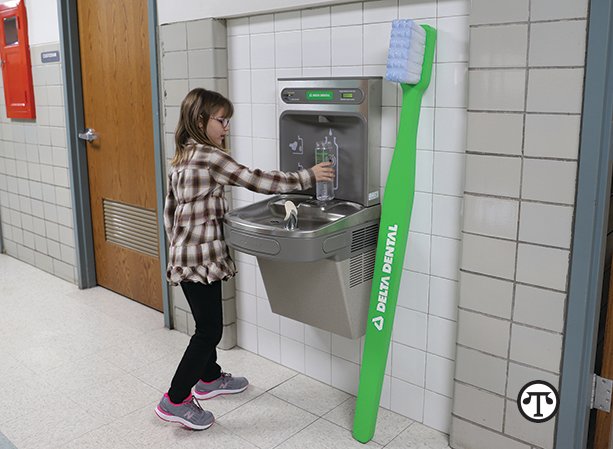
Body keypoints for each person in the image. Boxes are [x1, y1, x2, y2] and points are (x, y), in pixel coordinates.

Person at [155, 88, 334, 430]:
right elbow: (257, 180)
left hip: (187, 255)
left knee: (206, 323)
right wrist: (308, 176)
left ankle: (209, 378)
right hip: (200, 257)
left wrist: (182, 244)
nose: (226, 128)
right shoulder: (210, 157)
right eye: (221, 120)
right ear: (200, 120)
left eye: (228, 121)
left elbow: (169, 210)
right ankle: (175, 399)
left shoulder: (182, 156)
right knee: (209, 331)